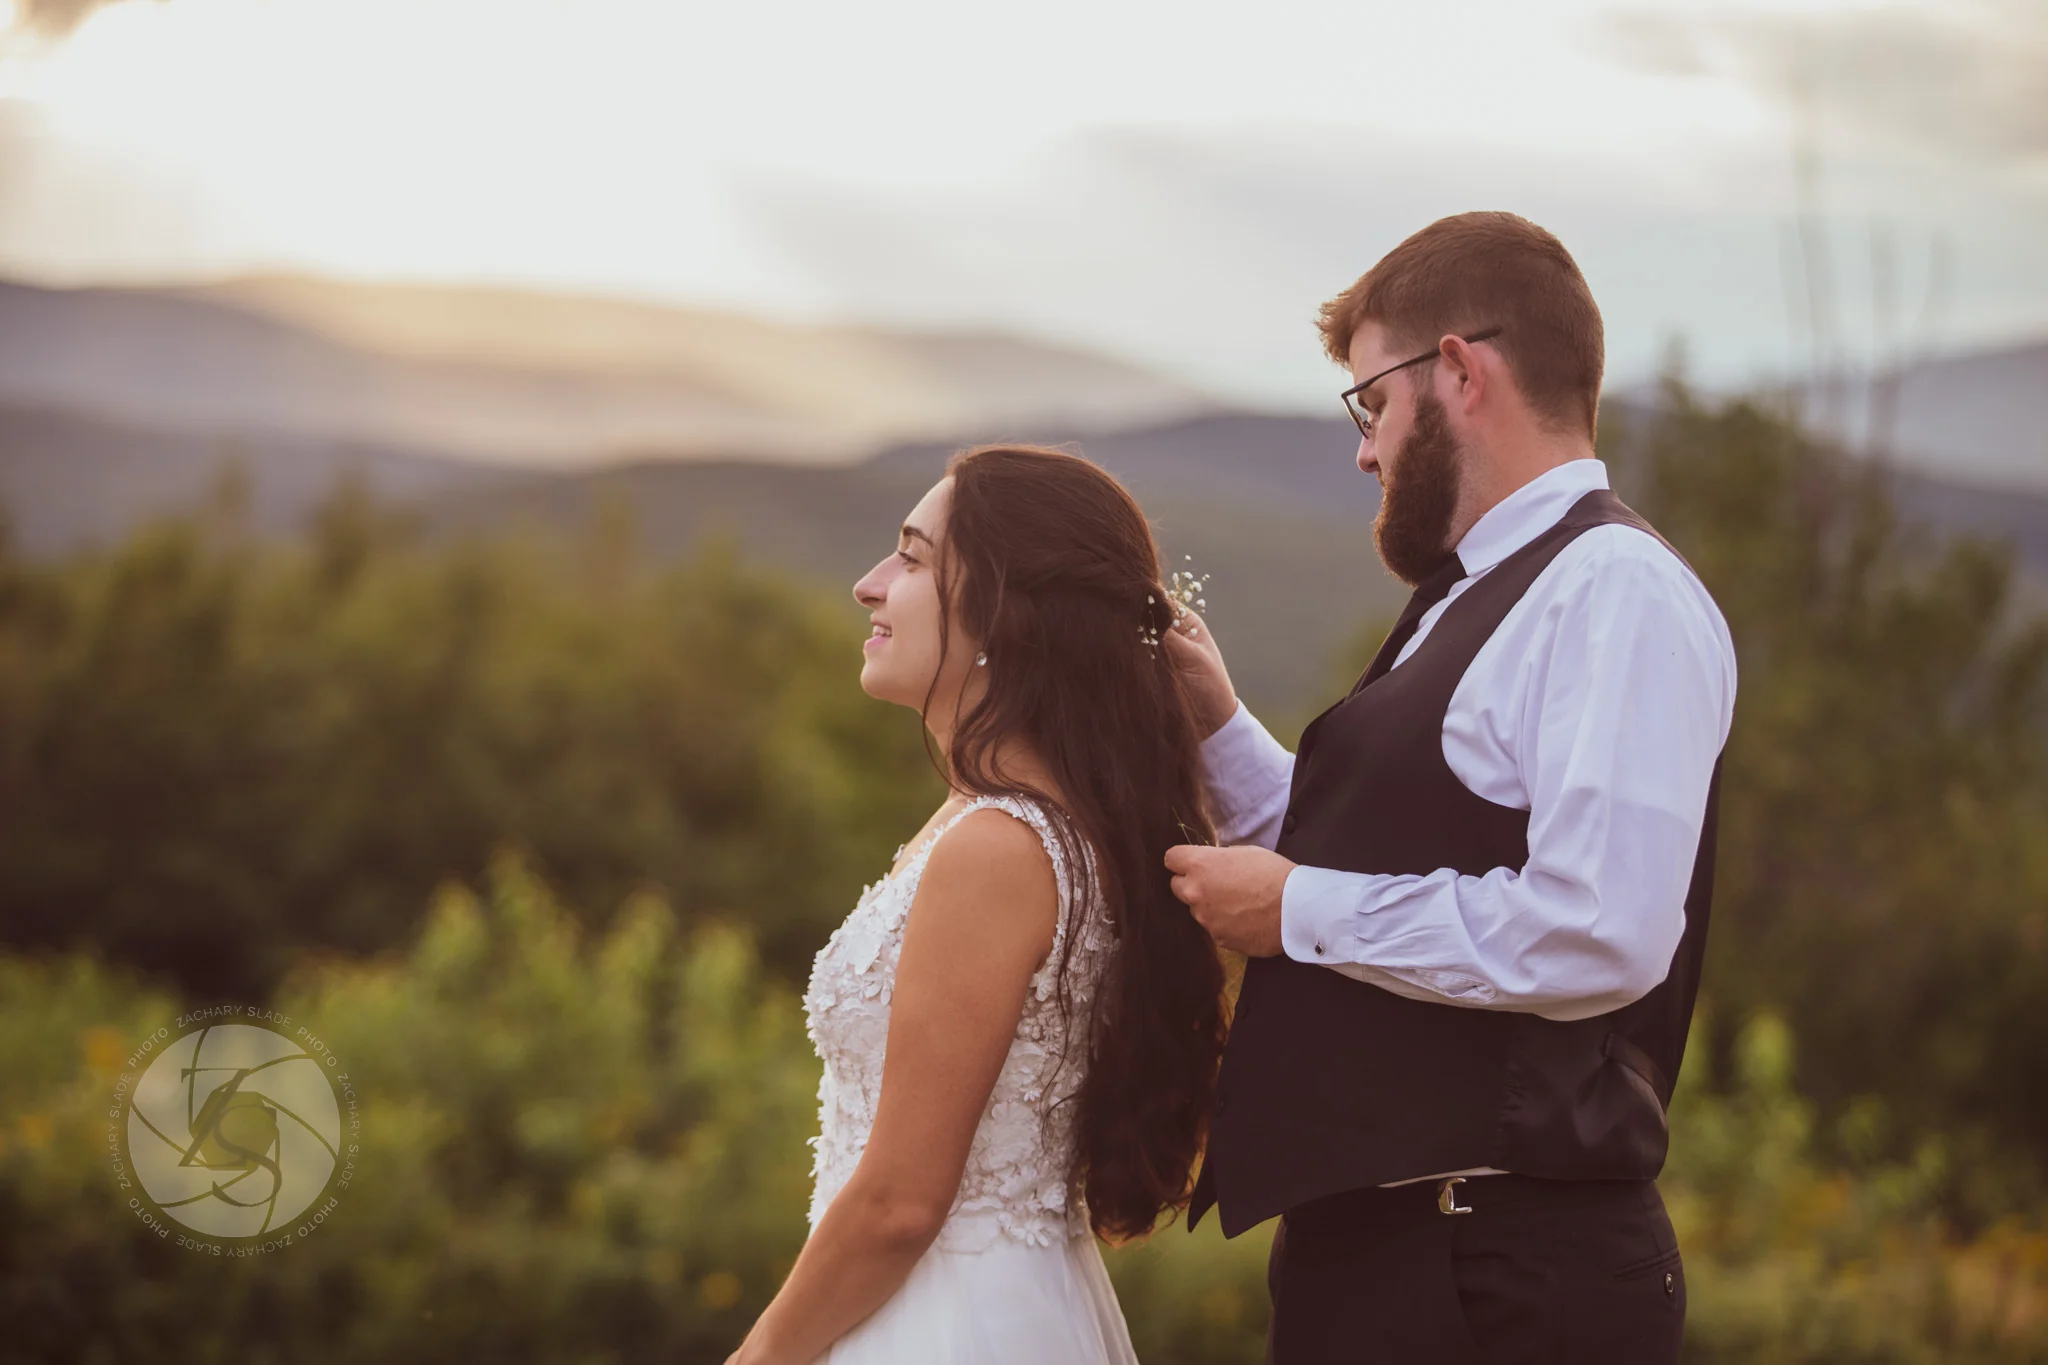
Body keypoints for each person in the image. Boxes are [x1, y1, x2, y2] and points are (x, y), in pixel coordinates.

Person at [1162, 211, 1738, 1363]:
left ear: (1460, 372)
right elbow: (1371, 855)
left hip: (1494, 1276)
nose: (1364, 448)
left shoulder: (1609, 590)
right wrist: (1215, 721)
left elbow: (1600, 932)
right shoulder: (1475, 595)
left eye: (1370, 403)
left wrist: (1296, 913)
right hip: (1396, 1264)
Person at [726, 444, 1228, 1365]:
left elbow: (901, 1202)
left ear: (1002, 609)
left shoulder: (1000, 847)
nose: (868, 585)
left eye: (913, 559)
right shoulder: (1005, 820)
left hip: (952, 1323)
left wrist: (759, 1357)